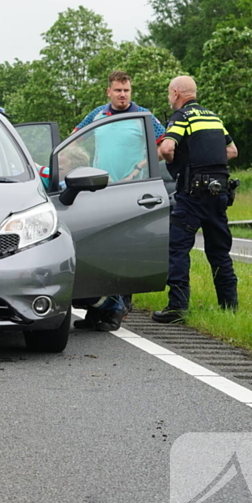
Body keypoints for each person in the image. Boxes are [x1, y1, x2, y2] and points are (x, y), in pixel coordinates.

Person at [71, 71, 166, 332]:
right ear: (108, 91)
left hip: (131, 191)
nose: (123, 95)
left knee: (123, 249)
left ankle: (118, 307)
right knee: (99, 249)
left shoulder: (143, 117)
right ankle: (99, 308)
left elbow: (165, 145)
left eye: (126, 90)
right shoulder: (97, 115)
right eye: (118, 90)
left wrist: (139, 167)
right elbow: (75, 138)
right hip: (99, 190)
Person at [152, 75, 239, 323]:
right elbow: (232, 151)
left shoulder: (181, 117)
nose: (170, 98)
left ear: (177, 93)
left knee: (178, 248)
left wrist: (176, 162)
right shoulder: (213, 117)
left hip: (191, 194)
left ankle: (177, 307)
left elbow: (168, 148)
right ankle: (230, 308)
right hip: (219, 192)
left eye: (170, 93)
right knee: (219, 251)